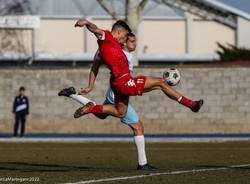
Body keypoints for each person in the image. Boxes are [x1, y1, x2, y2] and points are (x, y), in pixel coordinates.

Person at [58, 33, 156, 171]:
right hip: (118, 95)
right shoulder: (122, 55)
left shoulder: (127, 55)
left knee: (101, 114)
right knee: (137, 126)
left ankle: (73, 94)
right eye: (132, 41)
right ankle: (143, 163)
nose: (135, 44)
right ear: (123, 43)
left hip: (113, 93)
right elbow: (101, 62)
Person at [73, 19, 203, 119]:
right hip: (123, 81)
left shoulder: (108, 48)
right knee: (160, 82)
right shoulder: (107, 37)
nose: (124, 41)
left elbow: (95, 66)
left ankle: (92, 108)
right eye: (124, 37)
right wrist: (86, 22)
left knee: (120, 112)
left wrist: (90, 86)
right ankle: (191, 105)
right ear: (118, 32)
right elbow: (95, 29)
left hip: (118, 82)